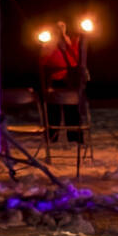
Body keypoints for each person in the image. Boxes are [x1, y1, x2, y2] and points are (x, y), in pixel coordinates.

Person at [35, 19, 89, 147]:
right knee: (53, 111)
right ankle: (52, 138)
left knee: (72, 111)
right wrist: (48, 47)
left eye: (62, 27)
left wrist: (67, 41)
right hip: (55, 81)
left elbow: (76, 60)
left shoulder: (73, 42)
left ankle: (75, 139)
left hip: (70, 82)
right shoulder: (49, 44)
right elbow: (43, 62)